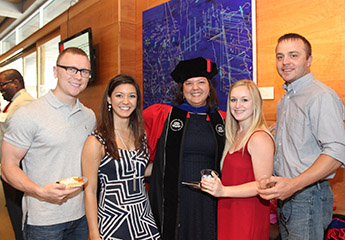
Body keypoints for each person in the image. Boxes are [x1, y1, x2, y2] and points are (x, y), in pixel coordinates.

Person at [258, 33, 345, 240]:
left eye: (293, 55)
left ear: (309, 60)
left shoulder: (320, 96)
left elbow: (336, 153)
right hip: (287, 196)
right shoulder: (287, 98)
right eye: (280, 57)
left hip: (307, 197)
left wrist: (293, 185)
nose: (285, 62)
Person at [1, 47, 96, 240]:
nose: (78, 76)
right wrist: (40, 191)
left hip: (81, 216)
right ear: (55, 71)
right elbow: (7, 167)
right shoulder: (28, 114)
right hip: (43, 220)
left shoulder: (89, 116)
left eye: (84, 71)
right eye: (70, 69)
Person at [143, 57, 226, 240]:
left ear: (209, 86)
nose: (195, 88)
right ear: (182, 88)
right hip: (174, 200)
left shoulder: (222, 119)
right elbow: (129, 132)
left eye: (201, 82)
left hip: (210, 200)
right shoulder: (162, 115)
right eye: (189, 83)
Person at [82, 74, 160, 239]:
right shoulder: (96, 141)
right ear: (109, 100)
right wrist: (94, 232)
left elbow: (137, 171)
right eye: (119, 95)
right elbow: (90, 190)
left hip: (144, 220)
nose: (126, 101)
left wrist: (173, 160)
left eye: (132, 96)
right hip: (113, 220)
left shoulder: (141, 135)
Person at [200, 79, 275, 240]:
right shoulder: (233, 135)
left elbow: (263, 185)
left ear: (256, 103)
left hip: (248, 214)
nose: (237, 105)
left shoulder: (259, 137)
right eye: (233, 100)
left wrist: (223, 191)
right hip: (228, 210)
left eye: (245, 100)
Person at [0, 69, 34, 240]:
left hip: (18, 165)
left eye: (3, 85)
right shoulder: (13, 104)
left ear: (16, 83)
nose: (1, 90)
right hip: (9, 164)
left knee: (18, 212)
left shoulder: (24, 104)